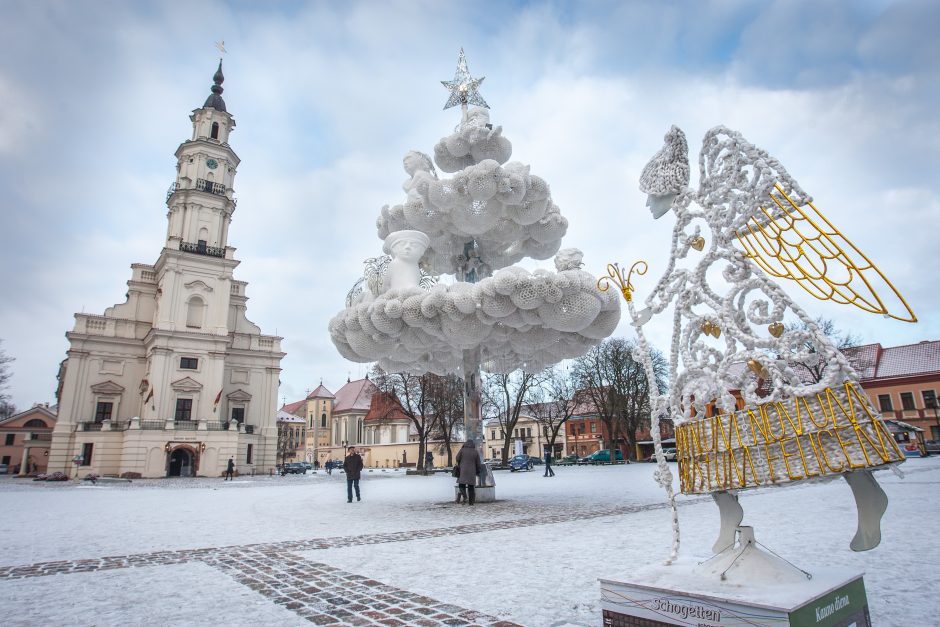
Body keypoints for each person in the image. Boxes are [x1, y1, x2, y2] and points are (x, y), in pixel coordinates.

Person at [455, 440, 482, 505]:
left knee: (461, 484)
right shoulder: (475, 451)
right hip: (472, 471)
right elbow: (478, 463)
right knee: (471, 487)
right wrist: (478, 470)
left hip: (463, 470)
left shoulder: (462, 450)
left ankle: (464, 496)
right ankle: (471, 502)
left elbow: (457, 458)